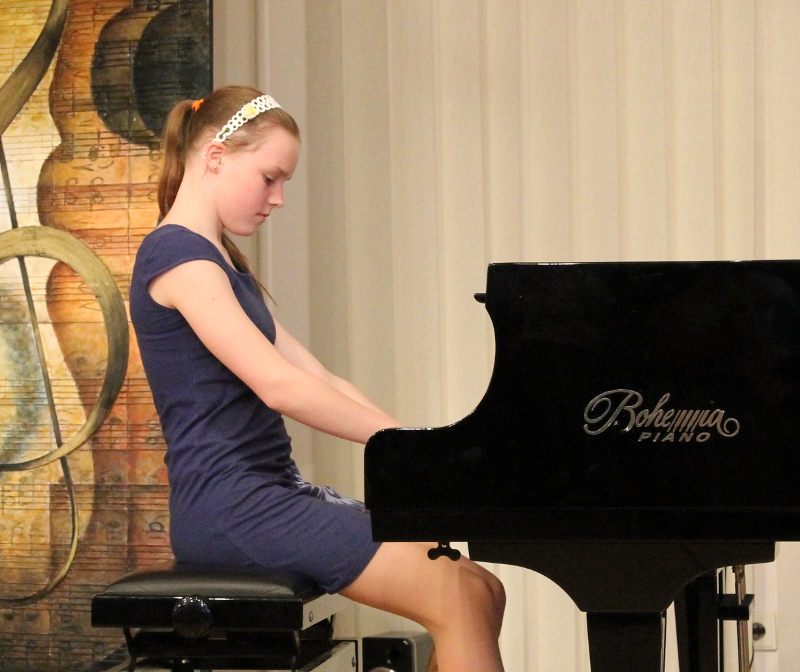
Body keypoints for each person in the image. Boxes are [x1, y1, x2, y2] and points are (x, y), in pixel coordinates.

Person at [129, 85, 505, 672]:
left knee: (483, 589)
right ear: (217, 156)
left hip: (268, 491)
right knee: (457, 597)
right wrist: (407, 449)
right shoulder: (177, 257)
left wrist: (419, 446)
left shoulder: (219, 261)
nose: (278, 198)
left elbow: (317, 374)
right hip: (230, 506)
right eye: (270, 178)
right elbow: (280, 387)